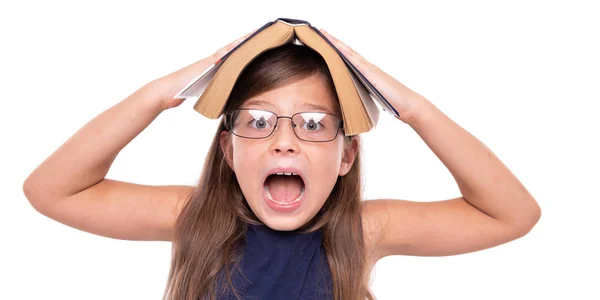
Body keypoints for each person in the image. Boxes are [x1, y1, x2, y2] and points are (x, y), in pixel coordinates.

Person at [22, 28, 542, 300]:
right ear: (229, 152)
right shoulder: (193, 215)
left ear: (346, 155)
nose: (286, 142)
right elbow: (52, 190)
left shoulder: (362, 231)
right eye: (259, 120)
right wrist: (165, 93)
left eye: (313, 124)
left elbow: (512, 214)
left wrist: (412, 108)